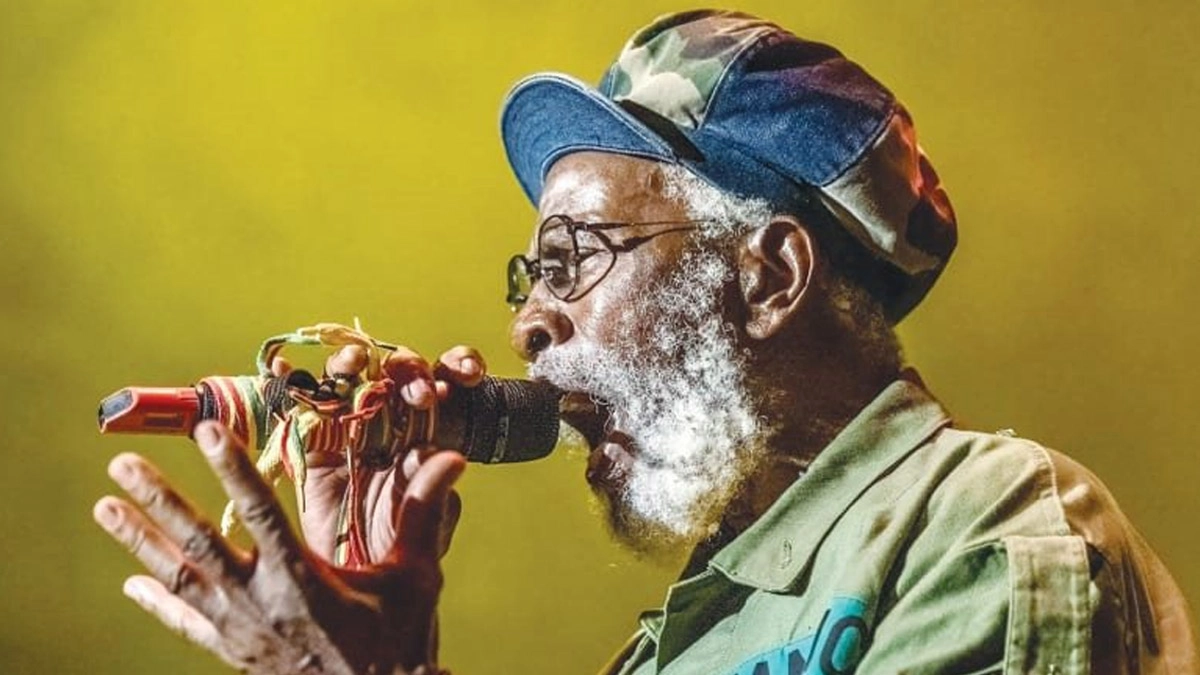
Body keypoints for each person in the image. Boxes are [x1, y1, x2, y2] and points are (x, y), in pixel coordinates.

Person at [92, 10, 1198, 675]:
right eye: (532, 274)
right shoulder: (685, 631)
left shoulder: (985, 531)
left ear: (768, 277)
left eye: (572, 257)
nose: (527, 322)